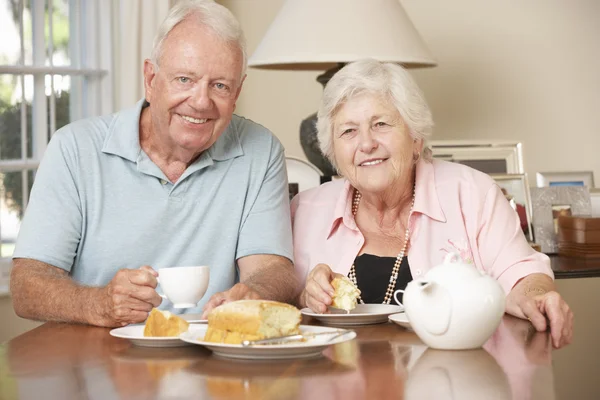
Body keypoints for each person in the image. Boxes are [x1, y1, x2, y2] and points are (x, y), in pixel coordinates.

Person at [10, 0, 298, 328]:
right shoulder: (75, 149)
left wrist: (255, 293)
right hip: (100, 357)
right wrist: (98, 303)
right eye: (184, 80)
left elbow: (271, 269)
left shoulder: (261, 151)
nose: (201, 102)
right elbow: (26, 285)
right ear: (151, 79)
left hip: (213, 357)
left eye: (220, 85)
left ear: (237, 91)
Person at [291, 59, 573, 348]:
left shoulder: (473, 194)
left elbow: (522, 275)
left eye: (381, 124)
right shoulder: (304, 211)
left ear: (416, 138)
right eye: (348, 131)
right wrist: (306, 296)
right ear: (333, 152)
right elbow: (280, 303)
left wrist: (537, 296)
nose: (366, 144)